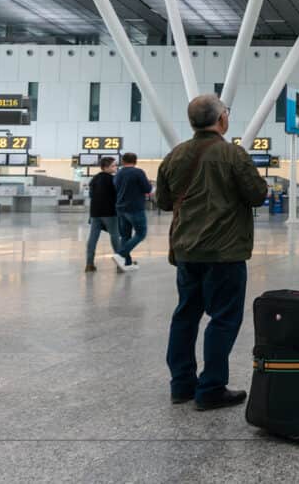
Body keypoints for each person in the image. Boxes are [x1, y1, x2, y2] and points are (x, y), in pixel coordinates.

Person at [157, 94, 268, 410]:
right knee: (223, 318)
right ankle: (211, 387)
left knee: (185, 315)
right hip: (225, 252)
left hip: (186, 251)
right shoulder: (233, 155)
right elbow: (257, 194)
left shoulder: (175, 156)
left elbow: (164, 202)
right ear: (222, 120)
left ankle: (181, 385)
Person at [85, 156, 127, 273]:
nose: (116, 167)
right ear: (106, 167)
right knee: (115, 236)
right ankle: (120, 263)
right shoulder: (113, 179)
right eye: (113, 165)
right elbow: (118, 195)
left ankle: (89, 264)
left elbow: (91, 195)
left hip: (95, 213)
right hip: (109, 212)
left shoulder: (95, 179)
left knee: (93, 238)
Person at [114, 152, 152, 270]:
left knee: (125, 235)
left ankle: (127, 263)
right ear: (135, 161)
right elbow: (147, 188)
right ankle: (120, 254)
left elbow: (115, 188)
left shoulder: (118, 173)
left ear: (123, 161)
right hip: (135, 208)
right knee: (141, 233)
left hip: (120, 208)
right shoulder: (138, 172)